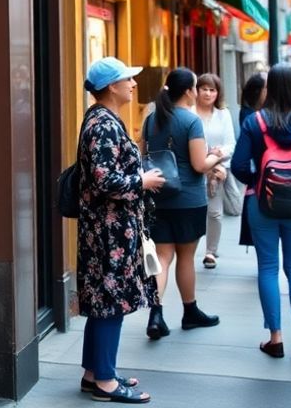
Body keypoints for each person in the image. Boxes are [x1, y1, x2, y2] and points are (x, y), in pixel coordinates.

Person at [76, 57, 165, 404]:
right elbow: (104, 180)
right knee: (110, 303)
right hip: (108, 231)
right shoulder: (103, 124)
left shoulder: (102, 119)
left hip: (108, 228)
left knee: (104, 301)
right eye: (127, 79)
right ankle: (105, 381)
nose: (133, 84)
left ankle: (94, 372)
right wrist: (143, 180)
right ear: (111, 86)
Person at [232, 65, 291, 358]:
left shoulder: (256, 122)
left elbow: (237, 165)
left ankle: (275, 337)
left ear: (269, 87)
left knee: (268, 268)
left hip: (262, 203)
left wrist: (258, 181)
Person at [140, 68, 226, 339]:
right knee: (186, 257)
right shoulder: (191, 121)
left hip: (157, 196)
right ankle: (190, 312)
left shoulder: (151, 119)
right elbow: (200, 165)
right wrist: (217, 157)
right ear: (189, 91)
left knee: (163, 257)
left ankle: (156, 314)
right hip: (188, 198)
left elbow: (144, 155)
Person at [193, 73, 236, 270]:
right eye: (204, 89)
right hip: (193, 170)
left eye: (212, 90)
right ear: (197, 90)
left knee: (215, 214)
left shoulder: (223, 114)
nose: (208, 93)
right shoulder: (190, 113)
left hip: (216, 171)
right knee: (194, 212)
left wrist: (219, 155)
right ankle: (189, 248)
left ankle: (210, 251)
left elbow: (230, 144)